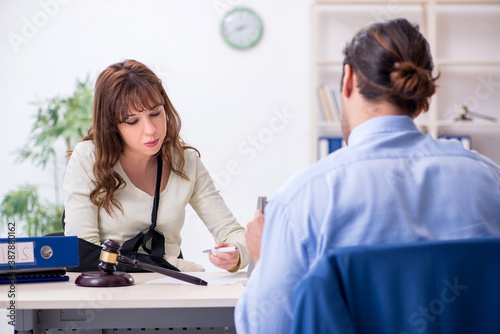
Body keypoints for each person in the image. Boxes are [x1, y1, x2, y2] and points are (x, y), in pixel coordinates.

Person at [235, 18, 500, 333]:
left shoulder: (303, 200)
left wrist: (265, 259)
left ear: (347, 80)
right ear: (419, 97)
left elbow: (267, 328)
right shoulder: (490, 181)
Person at [63, 59, 249, 272]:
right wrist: (174, 265)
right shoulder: (89, 157)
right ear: (111, 125)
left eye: (155, 113)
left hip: (170, 289)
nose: (150, 129)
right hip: (111, 292)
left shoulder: (185, 161)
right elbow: (82, 253)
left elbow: (232, 231)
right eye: (133, 121)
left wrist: (235, 253)